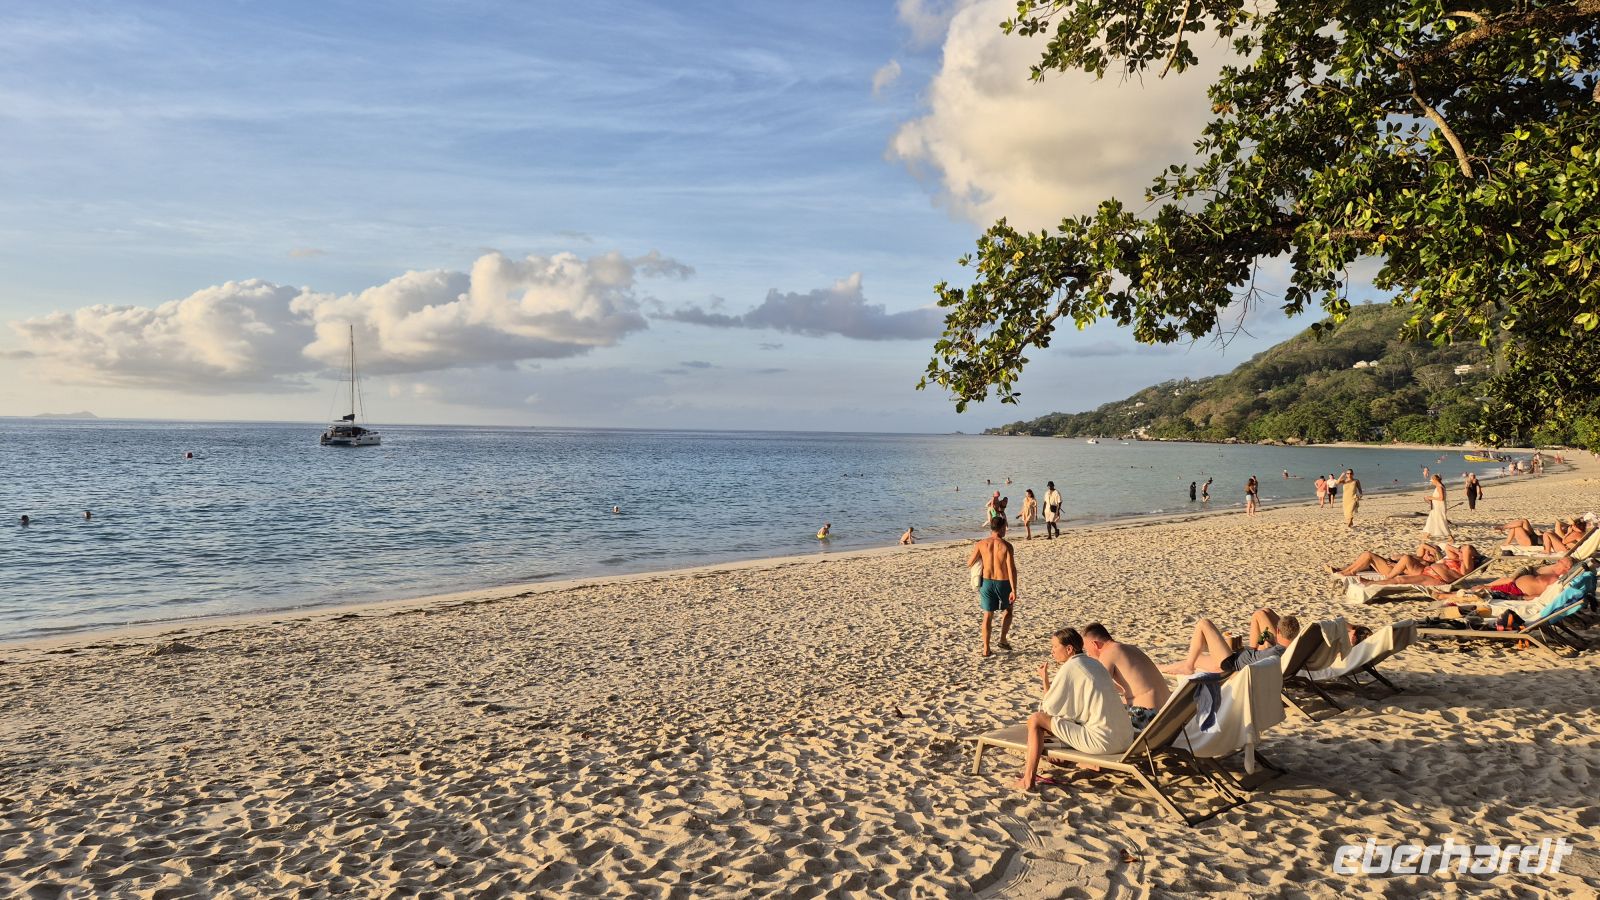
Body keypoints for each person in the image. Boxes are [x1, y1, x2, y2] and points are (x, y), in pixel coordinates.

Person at [1014, 628, 1134, 791]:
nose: (1052, 651)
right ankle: (1066, 758)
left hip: (1104, 742)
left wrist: (1045, 683)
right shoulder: (1094, 663)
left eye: (1055, 647)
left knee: (1035, 720)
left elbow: (1047, 710)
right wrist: (1046, 679)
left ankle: (1028, 779)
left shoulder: (1071, 667)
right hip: (1127, 738)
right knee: (1060, 721)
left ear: (1069, 649)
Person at [1081, 623, 1171, 731]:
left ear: (1095, 644)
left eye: (1087, 649)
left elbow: (1098, 689)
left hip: (1145, 716)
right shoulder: (1130, 648)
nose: (1088, 654)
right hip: (1167, 714)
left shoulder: (1108, 653)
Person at [1160, 609, 1301, 676]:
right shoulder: (1291, 650)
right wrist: (1263, 642)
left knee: (1204, 623)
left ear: (1277, 631)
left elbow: (1258, 657)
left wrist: (1261, 644)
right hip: (1243, 658)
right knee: (1264, 612)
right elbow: (1262, 652)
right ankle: (1161, 668)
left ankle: (1186, 667)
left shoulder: (1273, 653)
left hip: (1231, 664)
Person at [967, 516, 1017, 657]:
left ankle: (986, 649)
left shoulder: (981, 544)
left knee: (987, 615)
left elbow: (969, 562)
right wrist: (1014, 589)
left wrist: (984, 560)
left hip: (987, 582)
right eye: (1005, 527)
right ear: (1001, 528)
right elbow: (1011, 569)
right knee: (1008, 610)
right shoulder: (1006, 546)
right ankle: (1002, 639)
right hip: (1003, 582)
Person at [1432, 557, 1574, 601]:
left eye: (1563, 562)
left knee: (1481, 592)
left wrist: (1522, 599)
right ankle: (1451, 594)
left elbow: (1543, 596)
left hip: (1515, 591)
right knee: (1481, 588)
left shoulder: (1559, 581)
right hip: (1514, 585)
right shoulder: (1556, 576)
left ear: (1567, 569)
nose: (1560, 560)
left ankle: (1447, 595)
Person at [1422, 473, 1452, 540]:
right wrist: (1430, 498)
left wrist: (1431, 498)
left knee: (1440, 521)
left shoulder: (1439, 487)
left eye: (1432, 481)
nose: (1432, 482)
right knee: (1432, 519)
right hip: (1437, 507)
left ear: (1435, 480)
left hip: (1439, 507)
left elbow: (1441, 498)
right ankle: (1426, 535)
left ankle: (1450, 536)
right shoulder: (1440, 486)